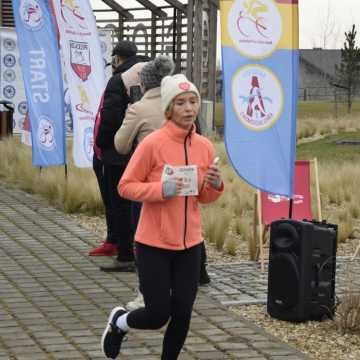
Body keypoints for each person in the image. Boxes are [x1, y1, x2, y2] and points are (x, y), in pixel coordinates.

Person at [101, 74, 224, 359]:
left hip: (190, 243)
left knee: (182, 313)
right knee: (158, 314)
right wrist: (161, 189)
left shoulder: (204, 146)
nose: (188, 108)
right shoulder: (152, 143)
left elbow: (203, 197)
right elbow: (125, 186)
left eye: (193, 101)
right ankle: (120, 322)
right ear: (169, 108)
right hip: (153, 243)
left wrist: (215, 185)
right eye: (181, 102)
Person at [114, 55, 175, 310]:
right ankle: (175, 287)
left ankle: (147, 292)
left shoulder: (139, 108)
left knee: (146, 240)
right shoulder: (180, 104)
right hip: (181, 182)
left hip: (149, 185)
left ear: (145, 83)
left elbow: (121, 144)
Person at [89, 40, 148, 272]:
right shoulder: (152, 75)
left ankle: (125, 251)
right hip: (144, 152)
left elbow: (111, 119)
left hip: (117, 154)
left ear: (117, 58)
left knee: (119, 202)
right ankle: (132, 246)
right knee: (138, 204)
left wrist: (102, 146)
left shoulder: (119, 79)